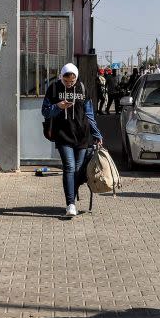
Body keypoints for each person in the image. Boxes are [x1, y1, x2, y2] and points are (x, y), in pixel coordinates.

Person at [40, 63, 103, 217]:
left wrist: (97, 134)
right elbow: (45, 112)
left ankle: (72, 199)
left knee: (77, 170)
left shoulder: (82, 88)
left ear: (76, 78)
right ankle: (70, 204)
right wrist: (58, 107)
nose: (69, 84)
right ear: (62, 77)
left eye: (72, 82)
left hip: (82, 136)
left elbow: (89, 114)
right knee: (69, 166)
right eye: (66, 81)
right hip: (63, 135)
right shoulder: (54, 89)